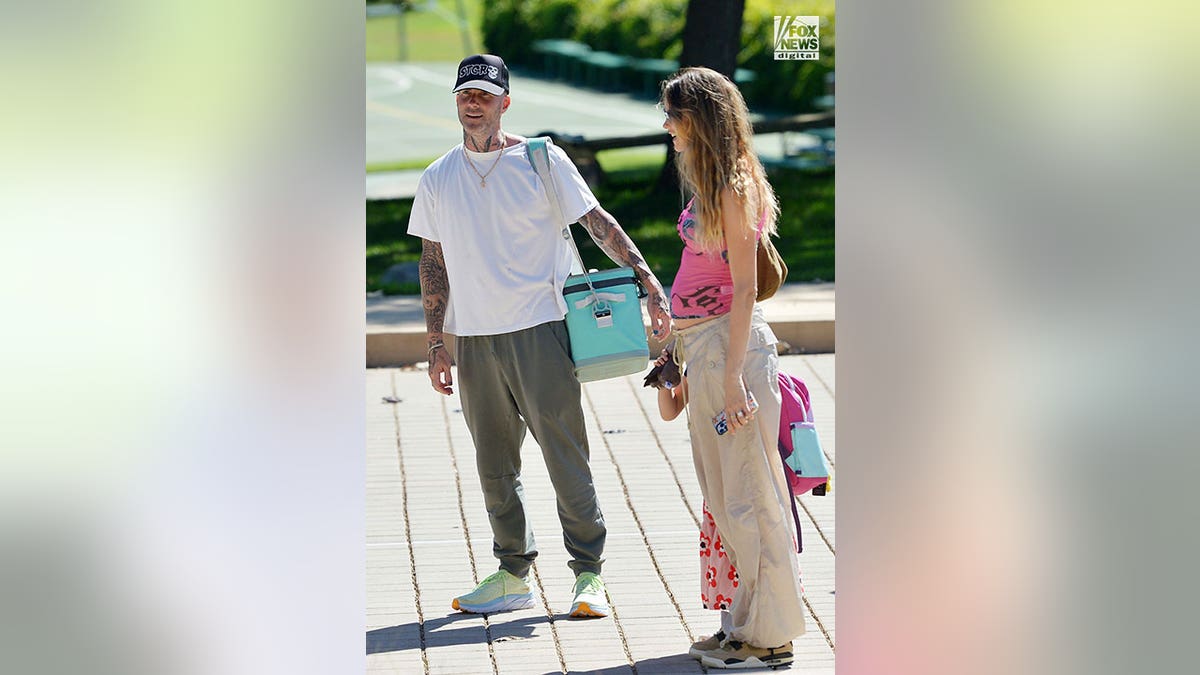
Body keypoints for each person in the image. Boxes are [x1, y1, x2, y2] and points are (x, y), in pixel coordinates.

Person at [408, 54, 671, 618]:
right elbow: (432, 262)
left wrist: (646, 278)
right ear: (455, 102)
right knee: (493, 463)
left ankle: (589, 576)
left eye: (483, 94)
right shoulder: (437, 177)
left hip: (542, 330)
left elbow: (595, 220)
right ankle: (511, 573)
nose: (472, 102)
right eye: (464, 94)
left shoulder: (541, 159)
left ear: (505, 102)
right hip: (475, 339)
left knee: (564, 453)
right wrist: (436, 342)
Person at [658, 66, 806, 668]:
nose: (667, 126)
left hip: (730, 353)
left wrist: (730, 375)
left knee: (752, 500)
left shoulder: (735, 187)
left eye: (674, 115)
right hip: (705, 347)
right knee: (726, 499)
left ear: (700, 119)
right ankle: (744, 624)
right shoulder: (714, 183)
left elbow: (745, 289)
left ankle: (769, 638)